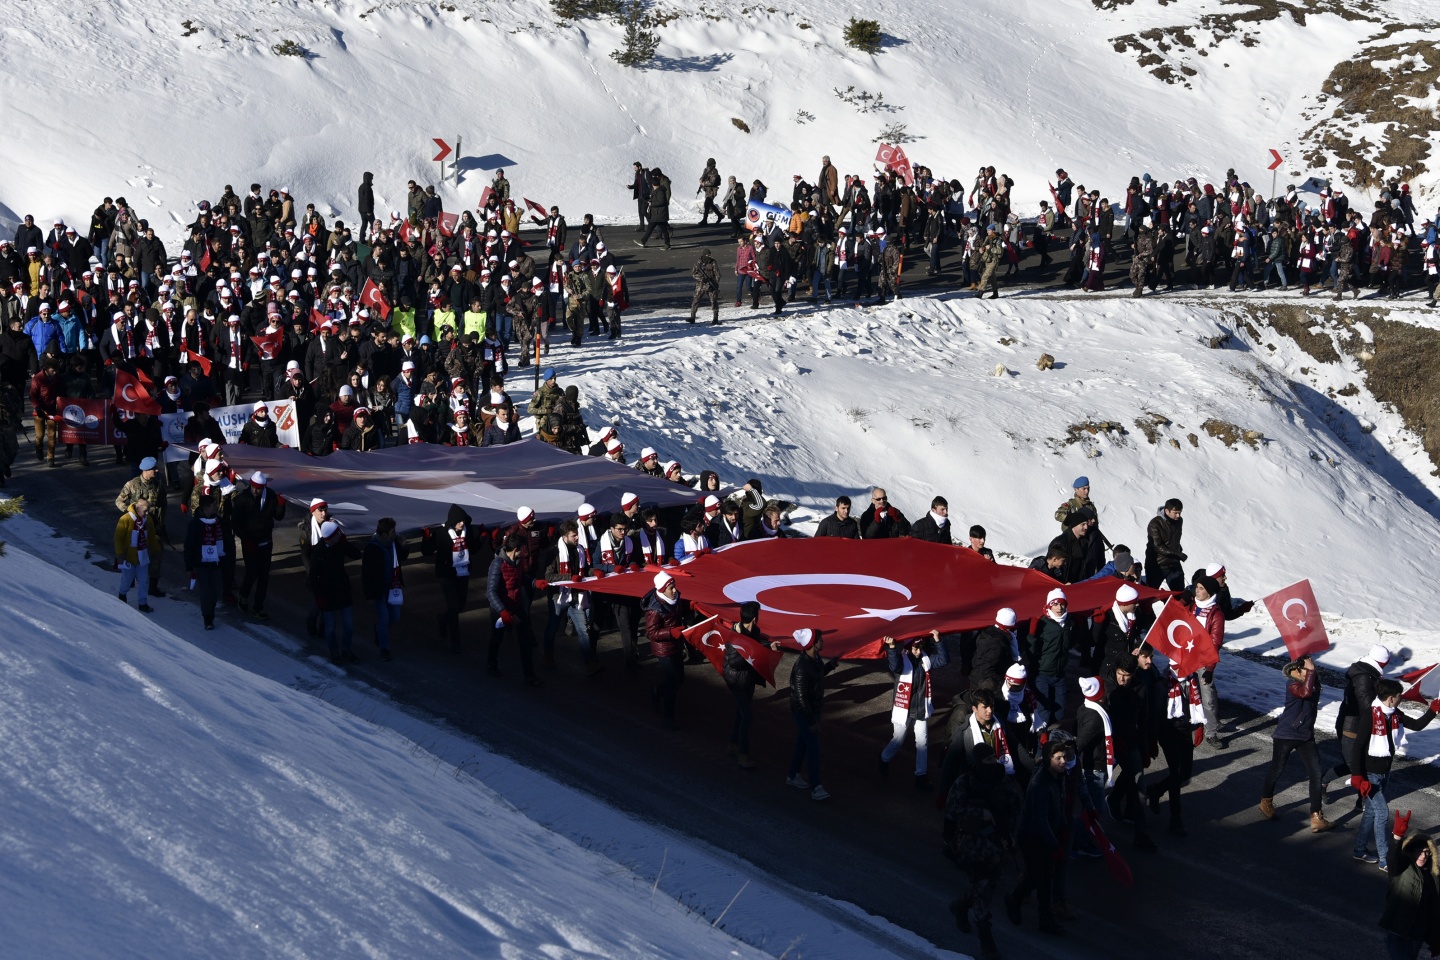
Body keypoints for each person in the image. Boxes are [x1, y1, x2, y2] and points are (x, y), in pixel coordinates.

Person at [943, 745, 1022, 960]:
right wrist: (981, 813)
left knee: (988, 886)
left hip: (996, 843)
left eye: (993, 758)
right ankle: (987, 943)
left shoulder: (1002, 780)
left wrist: (1010, 834)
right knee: (982, 888)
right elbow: (952, 810)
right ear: (977, 763)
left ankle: (960, 906)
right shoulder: (965, 783)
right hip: (973, 844)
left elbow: (1015, 806)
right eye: (987, 760)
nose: (992, 763)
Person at [1352, 679, 1438, 869]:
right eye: (1399, 696)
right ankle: (1385, 859)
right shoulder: (1370, 715)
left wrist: (1432, 711)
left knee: (1372, 812)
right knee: (1382, 813)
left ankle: (1359, 850)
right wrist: (1358, 775)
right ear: (1392, 698)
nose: (1401, 699)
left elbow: (1416, 725)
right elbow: (1358, 746)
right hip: (1370, 773)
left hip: (1385, 771)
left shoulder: (1394, 713)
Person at [1259, 654, 1335, 833]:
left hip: (1306, 736)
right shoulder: (1292, 683)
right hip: (1286, 734)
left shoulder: (1310, 681)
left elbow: (1313, 692)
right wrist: (1311, 672)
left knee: (1316, 774)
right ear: (1297, 670)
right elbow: (1305, 693)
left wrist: (1311, 672)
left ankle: (1316, 817)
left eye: (1311, 669)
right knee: (1277, 769)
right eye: (1306, 669)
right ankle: (1266, 802)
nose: (1310, 671)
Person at [1004, 740, 1071, 936]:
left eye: (1064, 758)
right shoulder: (1041, 783)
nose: (1062, 761)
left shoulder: (1058, 777)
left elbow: (1059, 805)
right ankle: (1014, 899)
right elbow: (1040, 819)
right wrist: (1054, 843)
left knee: (1047, 878)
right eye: (1057, 758)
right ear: (1048, 759)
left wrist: (1063, 826)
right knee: (1036, 876)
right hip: (1031, 835)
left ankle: (1045, 918)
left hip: (1047, 833)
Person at [1142, 646, 1204, 836]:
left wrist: (1199, 726)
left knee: (1185, 773)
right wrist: (1153, 740)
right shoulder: (1163, 685)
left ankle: (1156, 790)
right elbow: (1156, 715)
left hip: (1184, 730)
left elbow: (1197, 703)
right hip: (1168, 732)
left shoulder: (1192, 680)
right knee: (1176, 775)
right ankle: (1176, 818)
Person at [879, 629, 949, 791]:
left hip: (920, 708)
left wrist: (938, 641)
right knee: (898, 740)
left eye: (920, 648)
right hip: (904, 708)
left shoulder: (926, 660)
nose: (918, 652)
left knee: (922, 743)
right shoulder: (902, 661)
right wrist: (891, 648)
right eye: (915, 648)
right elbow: (894, 665)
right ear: (908, 648)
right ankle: (883, 758)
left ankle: (920, 775)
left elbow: (944, 660)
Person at [724, 601, 782, 768]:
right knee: (747, 716)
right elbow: (734, 661)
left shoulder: (754, 631)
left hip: (747, 679)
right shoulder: (735, 637)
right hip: (736, 681)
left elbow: (755, 647)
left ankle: (732, 744)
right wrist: (749, 653)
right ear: (755, 619)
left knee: (741, 713)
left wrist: (767, 646)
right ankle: (743, 754)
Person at [1329, 643, 1391, 800]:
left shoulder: (1370, 674)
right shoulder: (1364, 677)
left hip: (1360, 724)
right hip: (1351, 726)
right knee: (1355, 766)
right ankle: (1324, 783)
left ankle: (1360, 800)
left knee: (1358, 765)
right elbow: (1366, 705)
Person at [486, 533, 546, 687]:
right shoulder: (497, 564)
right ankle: (491, 664)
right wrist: (502, 611)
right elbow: (491, 592)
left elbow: (522, 578)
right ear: (516, 549)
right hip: (500, 608)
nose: (524, 553)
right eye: (522, 550)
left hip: (515, 605)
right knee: (497, 638)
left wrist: (534, 583)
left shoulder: (517, 562)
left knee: (525, 640)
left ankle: (529, 676)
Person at [541, 520, 600, 675]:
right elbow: (548, 576)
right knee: (552, 628)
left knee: (583, 630)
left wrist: (594, 572)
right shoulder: (553, 552)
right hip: (558, 597)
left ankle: (589, 663)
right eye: (574, 536)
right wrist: (570, 577)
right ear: (565, 536)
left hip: (576, 597)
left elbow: (585, 570)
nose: (577, 538)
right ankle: (547, 656)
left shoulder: (579, 549)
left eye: (577, 535)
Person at [786, 627, 838, 801]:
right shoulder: (802, 667)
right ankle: (816, 787)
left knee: (803, 743)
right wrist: (812, 722)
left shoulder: (814, 659)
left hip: (811, 710)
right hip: (805, 713)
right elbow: (801, 699)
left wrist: (830, 666)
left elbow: (819, 674)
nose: (823, 642)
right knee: (813, 747)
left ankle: (792, 776)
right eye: (820, 640)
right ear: (813, 645)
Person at [232, 470, 286, 620]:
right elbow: (236, 522)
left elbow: (278, 516)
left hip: (265, 541)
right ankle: (243, 595)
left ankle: (258, 606)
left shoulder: (270, 495)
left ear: (264, 487)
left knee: (264, 575)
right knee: (252, 572)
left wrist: (281, 505)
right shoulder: (243, 498)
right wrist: (245, 538)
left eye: (259, 488)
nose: (255, 491)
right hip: (250, 541)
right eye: (253, 487)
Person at [1380, 825, 1440, 960]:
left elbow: (1434, 907)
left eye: (1426, 852)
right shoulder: (1401, 868)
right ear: (1411, 852)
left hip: (1417, 934)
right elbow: (1393, 858)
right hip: (1398, 932)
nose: (1423, 855)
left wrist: (1435, 936)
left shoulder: (1433, 875)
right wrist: (1397, 838)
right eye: (1419, 851)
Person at [1029, 588, 1081, 731]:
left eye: (1062, 604)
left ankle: (1054, 738)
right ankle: (1041, 745)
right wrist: (1032, 635)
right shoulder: (1043, 622)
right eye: (1055, 604)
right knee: (1043, 713)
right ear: (1049, 605)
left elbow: (1072, 643)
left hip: (1060, 674)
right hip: (1042, 674)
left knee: (1060, 711)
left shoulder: (1069, 622)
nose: (1059, 607)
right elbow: (1032, 650)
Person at [115, 456, 168, 598]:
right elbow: (119, 501)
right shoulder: (132, 484)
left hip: (153, 525)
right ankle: (130, 579)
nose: (157, 470)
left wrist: (161, 524)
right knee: (133, 552)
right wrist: (131, 513)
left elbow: (163, 505)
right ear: (145, 470)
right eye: (153, 469)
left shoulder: (158, 485)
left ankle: (153, 586)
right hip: (136, 527)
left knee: (157, 554)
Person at [644, 570, 690, 729]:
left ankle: (657, 691)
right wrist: (671, 632)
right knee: (673, 682)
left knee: (680, 679)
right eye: (671, 588)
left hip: (676, 645)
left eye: (674, 586)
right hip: (664, 650)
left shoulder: (675, 599)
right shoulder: (654, 609)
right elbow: (651, 632)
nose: (675, 590)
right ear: (663, 590)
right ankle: (668, 717)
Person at [434, 504, 480, 655]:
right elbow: (427, 550)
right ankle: (455, 641)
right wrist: (427, 537)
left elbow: (473, 548)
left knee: (460, 606)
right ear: (453, 521)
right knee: (454, 607)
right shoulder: (441, 533)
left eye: (464, 521)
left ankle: (442, 619)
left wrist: (484, 538)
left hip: (462, 572)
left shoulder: (468, 531)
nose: (462, 523)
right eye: (460, 521)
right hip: (446, 574)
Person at [309, 519, 357, 664]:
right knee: (330, 627)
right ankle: (334, 653)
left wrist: (344, 543)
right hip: (327, 594)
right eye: (338, 533)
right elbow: (313, 577)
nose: (340, 535)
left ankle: (346, 651)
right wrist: (319, 597)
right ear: (331, 536)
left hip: (343, 591)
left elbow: (356, 555)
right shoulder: (318, 552)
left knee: (349, 625)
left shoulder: (340, 545)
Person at [361, 517, 407, 662]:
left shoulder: (394, 544)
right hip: (379, 591)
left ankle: (379, 630)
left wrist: (404, 546)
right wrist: (369, 594)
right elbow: (366, 574)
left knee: (395, 617)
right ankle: (384, 648)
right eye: (392, 531)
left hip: (393, 587)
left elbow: (402, 558)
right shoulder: (372, 548)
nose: (395, 533)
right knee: (384, 618)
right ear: (385, 534)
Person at [1189, 573, 1227, 747]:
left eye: (1201, 588)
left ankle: (1211, 732)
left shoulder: (1216, 614)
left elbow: (1215, 642)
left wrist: (1210, 668)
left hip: (1204, 661)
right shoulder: (1191, 607)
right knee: (1183, 691)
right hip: (1187, 657)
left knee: (1208, 697)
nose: (1197, 591)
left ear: (1209, 592)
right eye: (1196, 587)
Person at [184, 494, 226, 631]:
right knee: (206, 592)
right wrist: (189, 566)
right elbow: (189, 546)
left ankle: (211, 611)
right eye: (214, 505)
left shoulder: (219, 521)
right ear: (207, 507)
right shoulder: (195, 524)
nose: (216, 507)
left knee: (215, 592)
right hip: (201, 564)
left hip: (216, 563)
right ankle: (207, 618)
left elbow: (226, 541)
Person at [113, 497, 154, 613]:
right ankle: (122, 595)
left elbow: (151, 535)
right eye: (145, 510)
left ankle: (143, 603)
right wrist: (120, 554)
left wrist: (155, 548)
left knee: (143, 581)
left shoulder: (148, 519)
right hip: (129, 557)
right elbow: (118, 538)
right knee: (127, 579)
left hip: (143, 556)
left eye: (148, 511)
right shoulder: (125, 519)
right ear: (137, 508)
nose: (147, 513)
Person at [1144, 498, 1186, 590]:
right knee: (1151, 594)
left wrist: (1178, 549)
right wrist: (1177, 554)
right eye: (1175, 512)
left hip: (1173, 564)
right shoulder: (1155, 524)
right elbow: (1157, 546)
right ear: (1167, 511)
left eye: (1180, 512)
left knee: (1179, 593)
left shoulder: (1179, 521)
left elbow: (1174, 539)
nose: (1178, 515)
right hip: (1156, 565)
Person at [688, 249, 721, 324]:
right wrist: (702, 279)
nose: (708, 257)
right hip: (700, 285)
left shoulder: (713, 262)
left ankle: (715, 318)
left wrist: (715, 283)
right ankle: (692, 316)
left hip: (711, 285)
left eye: (709, 255)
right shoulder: (698, 262)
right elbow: (694, 274)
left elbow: (717, 274)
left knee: (714, 301)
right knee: (696, 300)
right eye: (707, 255)